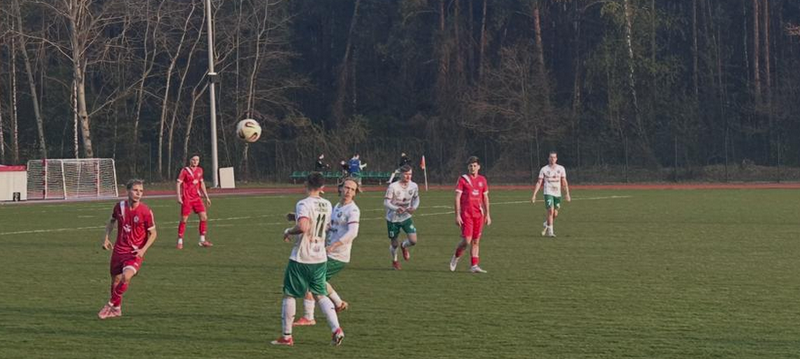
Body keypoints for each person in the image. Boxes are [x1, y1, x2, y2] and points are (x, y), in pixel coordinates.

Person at [271, 172, 345, 347]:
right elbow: (323, 224)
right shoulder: (327, 204)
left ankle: (287, 336)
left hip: (302, 257)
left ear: (306, 184)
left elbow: (304, 226)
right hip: (319, 257)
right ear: (322, 188)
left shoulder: (303, 203)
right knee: (320, 294)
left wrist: (289, 231)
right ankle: (336, 329)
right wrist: (295, 217)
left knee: (289, 294)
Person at [294, 178, 360, 326]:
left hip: (338, 255)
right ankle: (338, 304)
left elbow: (353, 233)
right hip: (325, 251)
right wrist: (298, 218)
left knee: (311, 280)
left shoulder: (353, 210)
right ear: (341, 188)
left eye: (352, 189)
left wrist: (334, 246)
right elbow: (326, 224)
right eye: (346, 188)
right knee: (319, 281)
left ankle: (309, 317)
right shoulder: (337, 206)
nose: (349, 191)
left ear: (355, 193)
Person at [97, 179, 157, 319]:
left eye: (141, 191)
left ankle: (110, 304)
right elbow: (112, 221)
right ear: (128, 191)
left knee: (126, 276)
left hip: (134, 252)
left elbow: (153, 233)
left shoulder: (145, 211)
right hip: (119, 250)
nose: (138, 193)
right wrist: (106, 238)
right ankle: (117, 309)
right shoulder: (119, 207)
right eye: (135, 190)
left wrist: (143, 250)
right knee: (115, 280)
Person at [450, 156, 491, 273]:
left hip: (479, 215)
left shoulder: (482, 180)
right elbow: (457, 197)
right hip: (466, 214)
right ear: (468, 167)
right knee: (466, 241)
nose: (472, 168)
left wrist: (488, 214)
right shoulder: (463, 179)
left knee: (476, 240)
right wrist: (457, 215)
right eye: (470, 166)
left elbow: (485, 197)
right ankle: (456, 256)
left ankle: (474, 266)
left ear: (478, 167)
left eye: (474, 166)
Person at [383, 165, 420, 270]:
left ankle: (404, 246)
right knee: (394, 243)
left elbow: (417, 199)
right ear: (401, 174)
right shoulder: (393, 187)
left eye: (410, 174)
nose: (408, 176)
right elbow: (386, 202)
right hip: (393, 218)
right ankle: (395, 260)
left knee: (413, 241)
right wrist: (395, 208)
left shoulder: (414, 186)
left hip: (406, 216)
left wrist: (414, 207)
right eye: (406, 174)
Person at [176, 154, 212, 249]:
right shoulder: (184, 171)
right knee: (184, 219)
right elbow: (178, 183)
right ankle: (180, 240)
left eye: (197, 160)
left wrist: (207, 197)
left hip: (197, 198)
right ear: (190, 160)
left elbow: (201, 183)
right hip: (187, 198)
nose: (195, 161)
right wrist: (179, 197)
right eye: (193, 159)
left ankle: (202, 240)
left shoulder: (200, 170)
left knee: (204, 217)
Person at [531, 151, 571, 237]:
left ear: (556, 159)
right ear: (548, 158)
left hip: (557, 193)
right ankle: (550, 232)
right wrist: (534, 195)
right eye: (551, 157)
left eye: (554, 157)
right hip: (548, 192)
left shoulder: (561, 169)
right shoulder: (544, 169)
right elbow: (539, 182)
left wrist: (567, 194)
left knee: (555, 213)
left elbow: (564, 182)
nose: (552, 159)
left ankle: (547, 223)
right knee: (550, 210)